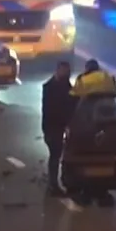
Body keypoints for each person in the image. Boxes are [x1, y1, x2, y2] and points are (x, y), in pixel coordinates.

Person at [40, 60, 76, 195]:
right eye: (65, 71)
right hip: (52, 127)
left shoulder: (65, 85)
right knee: (55, 155)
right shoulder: (50, 88)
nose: (67, 74)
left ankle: (55, 183)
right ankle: (53, 185)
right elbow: (53, 109)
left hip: (58, 126)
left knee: (57, 155)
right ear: (58, 70)